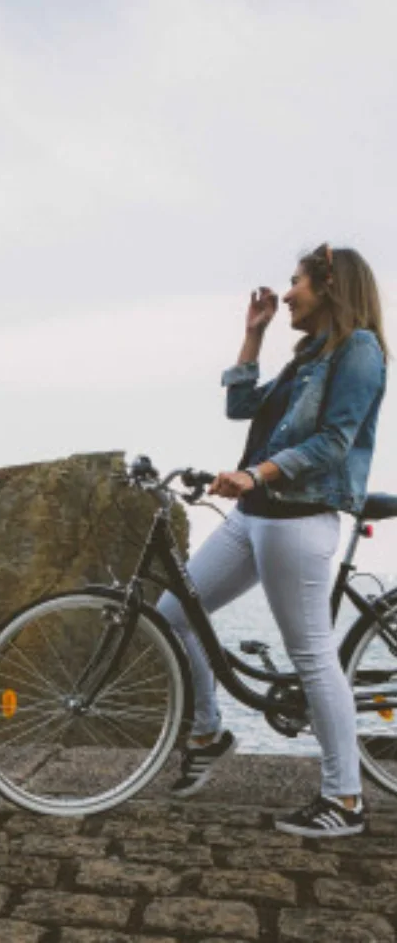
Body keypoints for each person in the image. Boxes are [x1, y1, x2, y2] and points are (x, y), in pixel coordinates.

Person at [156, 243, 387, 838]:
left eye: (296, 282)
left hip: (299, 518)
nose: (285, 294)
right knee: (175, 611)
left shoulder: (359, 350)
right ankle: (207, 733)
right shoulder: (307, 355)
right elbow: (240, 406)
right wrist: (253, 336)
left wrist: (257, 473)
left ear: (330, 286)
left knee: (311, 654)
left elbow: (335, 443)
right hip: (254, 514)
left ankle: (345, 799)